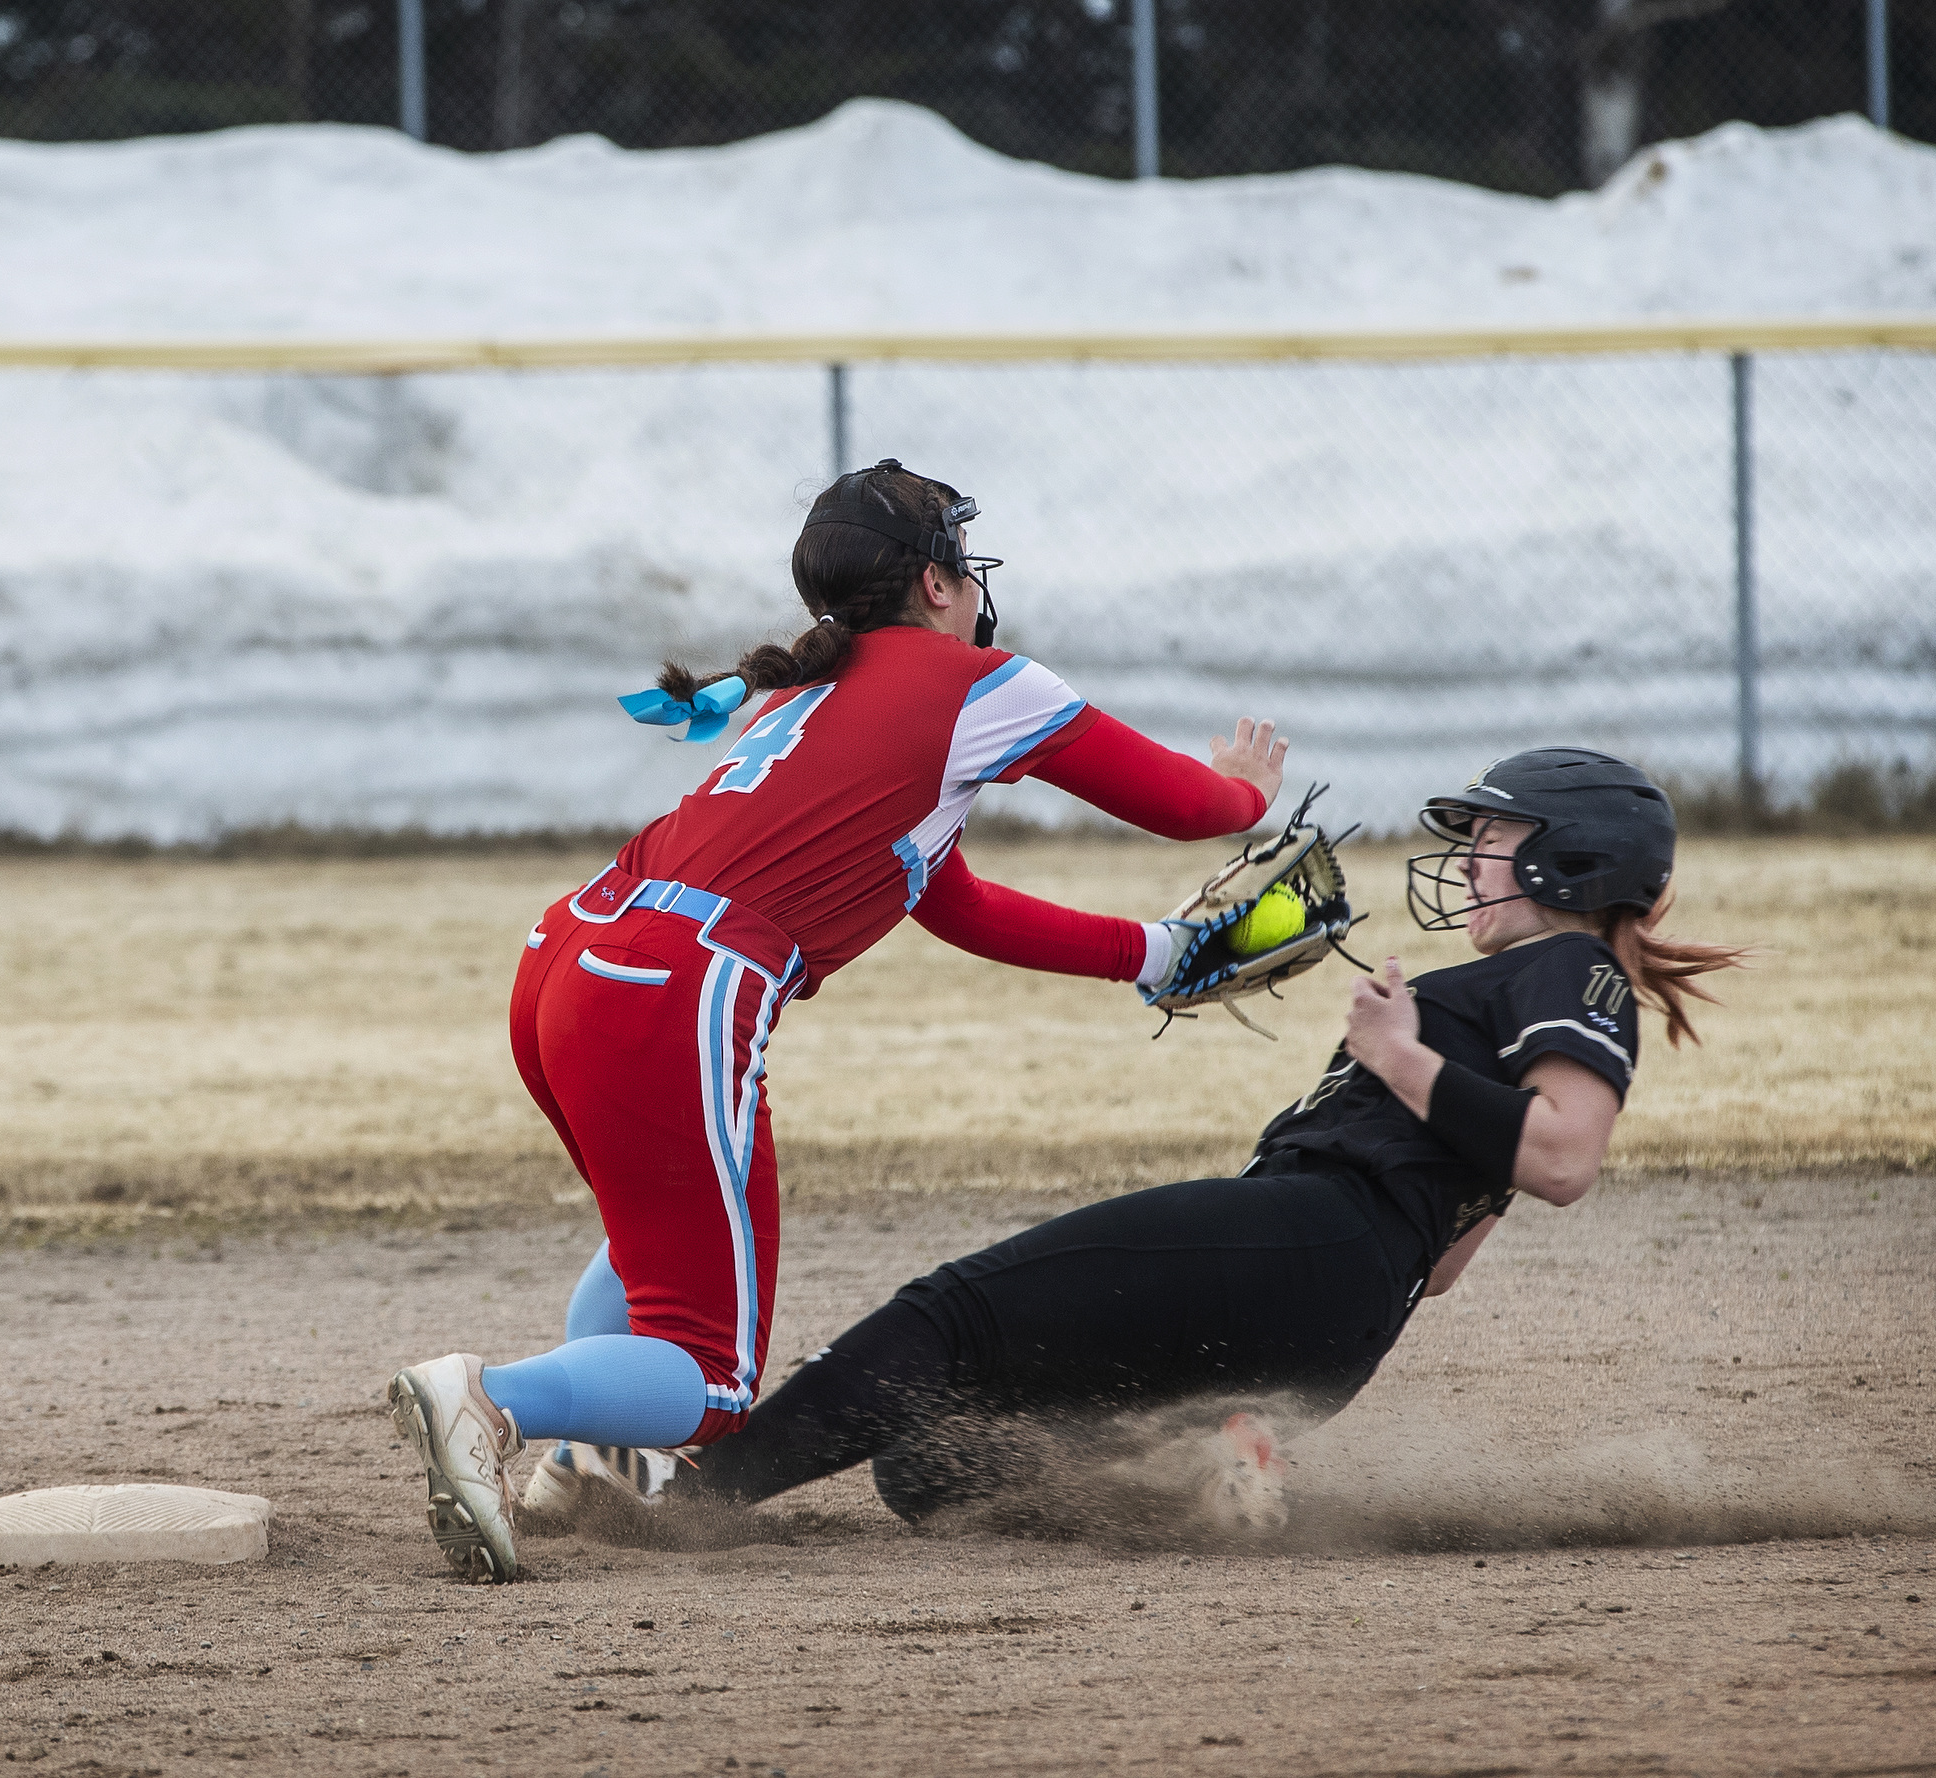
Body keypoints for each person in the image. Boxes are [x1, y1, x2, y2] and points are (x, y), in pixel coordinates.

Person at [385, 458, 1297, 1582]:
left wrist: (1154, 955)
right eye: (962, 560)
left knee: (651, 1238)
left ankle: (589, 1454)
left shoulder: (808, 688)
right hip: (681, 982)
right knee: (711, 1381)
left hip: (571, 954)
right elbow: (1179, 803)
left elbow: (951, 902)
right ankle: (489, 1398)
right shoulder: (979, 683)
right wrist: (1241, 791)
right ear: (932, 580)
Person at [652, 747, 1747, 1530]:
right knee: (931, 1467)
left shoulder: (1567, 967)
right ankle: (1209, 1471)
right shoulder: (1542, 982)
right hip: (1341, 1319)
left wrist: (1397, 1055)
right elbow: (1449, 1257)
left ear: (1574, 859)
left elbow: (1560, 1158)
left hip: (1312, 1235)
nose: (1469, 859)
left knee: (952, 1318)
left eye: (1495, 838)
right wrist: (1415, 1105)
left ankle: (694, 1502)